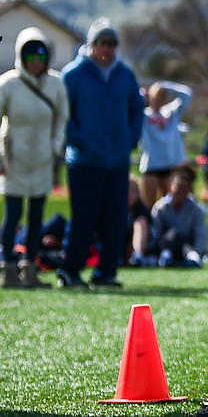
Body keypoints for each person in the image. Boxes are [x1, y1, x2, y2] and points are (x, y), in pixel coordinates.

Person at [59, 19, 144, 288]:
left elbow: (136, 109)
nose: (106, 49)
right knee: (84, 218)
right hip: (84, 160)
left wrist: (130, 138)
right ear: (91, 45)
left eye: (111, 43)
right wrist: (77, 139)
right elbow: (64, 113)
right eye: (101, 43)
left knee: (115, 219)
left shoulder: (125, 75)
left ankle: (106, 272)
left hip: (117, 160)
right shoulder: (73, 74)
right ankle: (71, 271)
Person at [0, 28, 68, 288]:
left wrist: (55, 146)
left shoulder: (56, 84)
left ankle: (30, 267)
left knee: (37, 216)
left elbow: (62, 118)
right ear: (21, 56)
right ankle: (8, 268)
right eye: (30, 55)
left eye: (40, 53)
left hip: (42, 158)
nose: (36, 60)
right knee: (13, 214)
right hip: (14, 159)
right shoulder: (8, 84)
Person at [139, 80, 194, 209]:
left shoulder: (171, 113)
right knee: (149, 207)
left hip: (170, 166)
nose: (158, 100)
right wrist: (144, 93)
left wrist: (166, 86)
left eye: (162, 97)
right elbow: (131, 99)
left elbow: (187, 95)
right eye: (156, 97)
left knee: (170, 206)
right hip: (151, 167)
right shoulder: (144, 116)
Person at [150, 164, 208, 267]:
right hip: (165, 246)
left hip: (187, 247)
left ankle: (193, 258)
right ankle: (166, 257)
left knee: (179, 238)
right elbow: (155, 233)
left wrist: (198, 251)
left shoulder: (196, 210)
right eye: (178, 187)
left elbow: (200, 235)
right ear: (170, 186)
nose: (180, 191)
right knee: (172, 235)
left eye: (184, 188)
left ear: (189, 189)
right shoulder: (160, 207)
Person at [125, 176, 152, 267]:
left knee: (140, 222)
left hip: (139, 245)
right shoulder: (113, 208)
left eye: (132, 191)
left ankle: (138, 256)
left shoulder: (142, 209)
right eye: (126, 190)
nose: (129, 195)